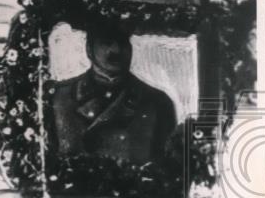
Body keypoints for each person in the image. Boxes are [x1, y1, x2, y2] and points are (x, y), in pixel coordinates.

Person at [49, 22, 177, 163]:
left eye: (123, 42)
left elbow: (166, 169)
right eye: (107, 42)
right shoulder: (59, 98)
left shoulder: (157, 102)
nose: (116, 49)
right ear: (89, 49)